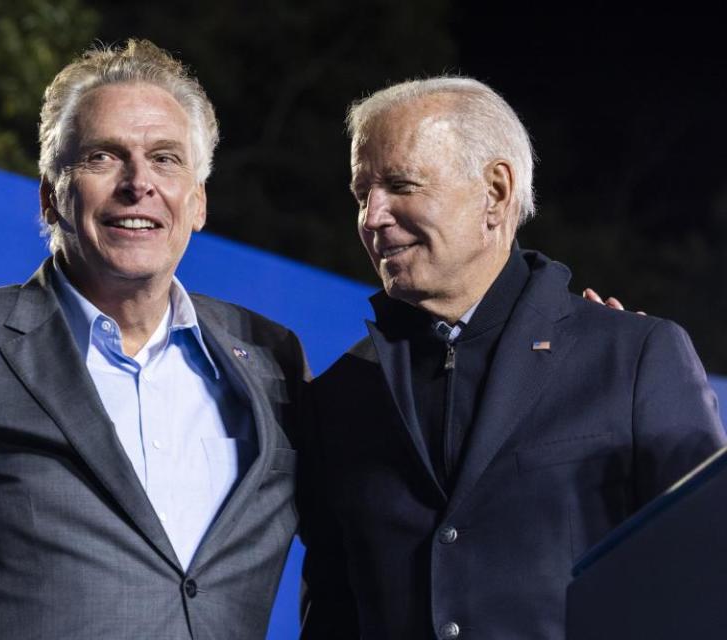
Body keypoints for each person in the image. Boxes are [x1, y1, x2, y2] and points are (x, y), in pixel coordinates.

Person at [0, 40, 307, 640]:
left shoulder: (269, 361)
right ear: (51, 195)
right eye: (104, 157)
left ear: (198, 201)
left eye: (166, 159)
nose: (139, 184)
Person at [298, 77, 726, 640]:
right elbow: (331, 612)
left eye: (400, 185)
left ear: (496, 192)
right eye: (362, 194)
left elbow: (704, 582)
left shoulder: (633, 357)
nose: (372, 217)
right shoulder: (339, 397)